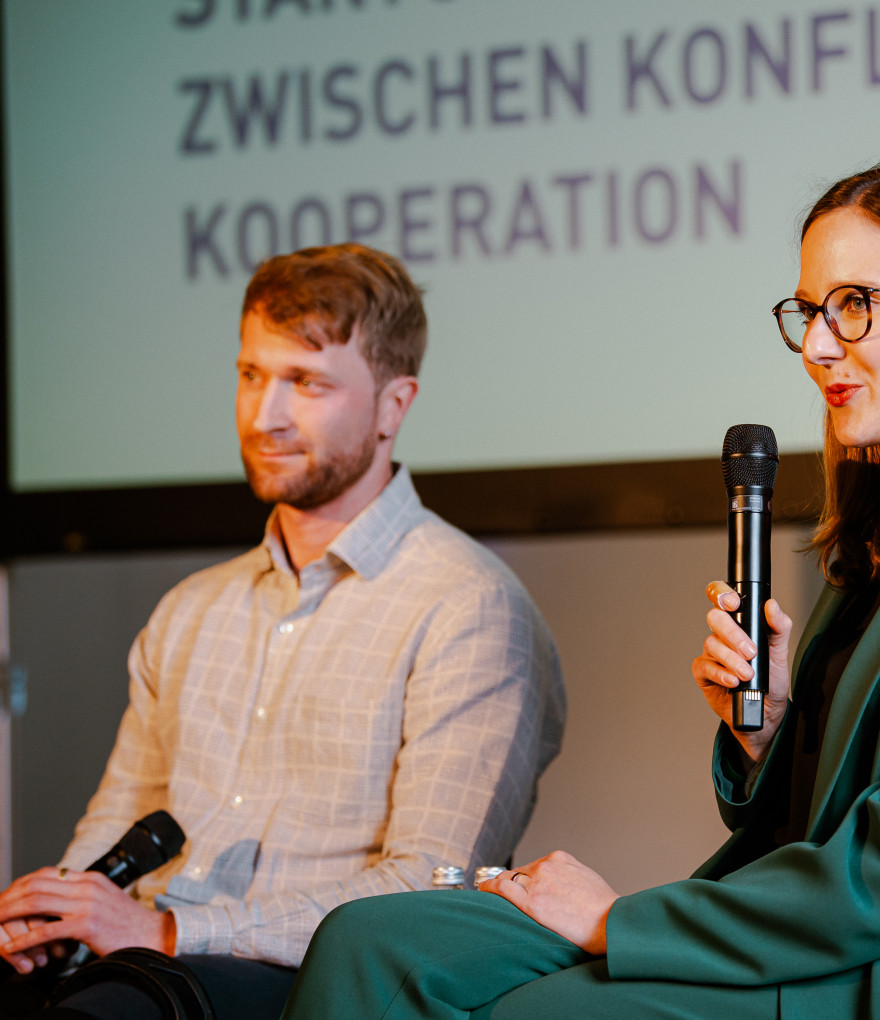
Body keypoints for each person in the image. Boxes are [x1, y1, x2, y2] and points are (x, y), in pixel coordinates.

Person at [278, 161, 880, 1020]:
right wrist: (768, 735)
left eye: (857, 306)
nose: (819, 346)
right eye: (809, 312)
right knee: (370, 944)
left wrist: (616, 920)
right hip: (821, 941)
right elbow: (809, 819)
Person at [0, 244, 567, 1019]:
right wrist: (53, 918)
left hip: (314, 986)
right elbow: (115, 826)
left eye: (305, 382)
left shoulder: (470, 606)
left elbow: (426, 890)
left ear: (393, 407)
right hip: (146, 966)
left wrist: (172, 930)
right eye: (251, 375)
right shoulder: (193, 608)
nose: (264, 416)